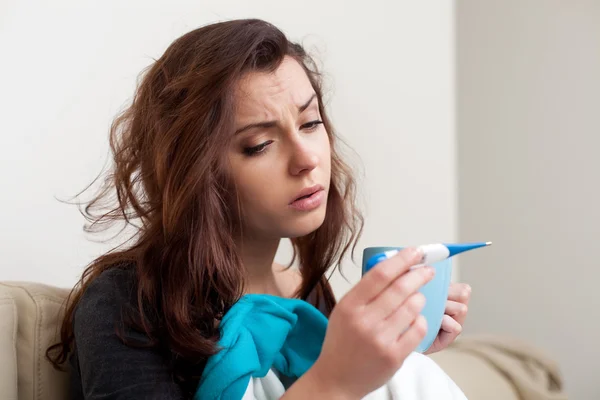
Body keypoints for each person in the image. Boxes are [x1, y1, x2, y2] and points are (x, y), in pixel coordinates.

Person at [47, 18, 471, 399]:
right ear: (196, 172)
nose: (306, 158)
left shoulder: (307, 295)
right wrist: (337, 381)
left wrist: (395, 355)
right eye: (260, 145)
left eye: (310, 123)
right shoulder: (128, 303)